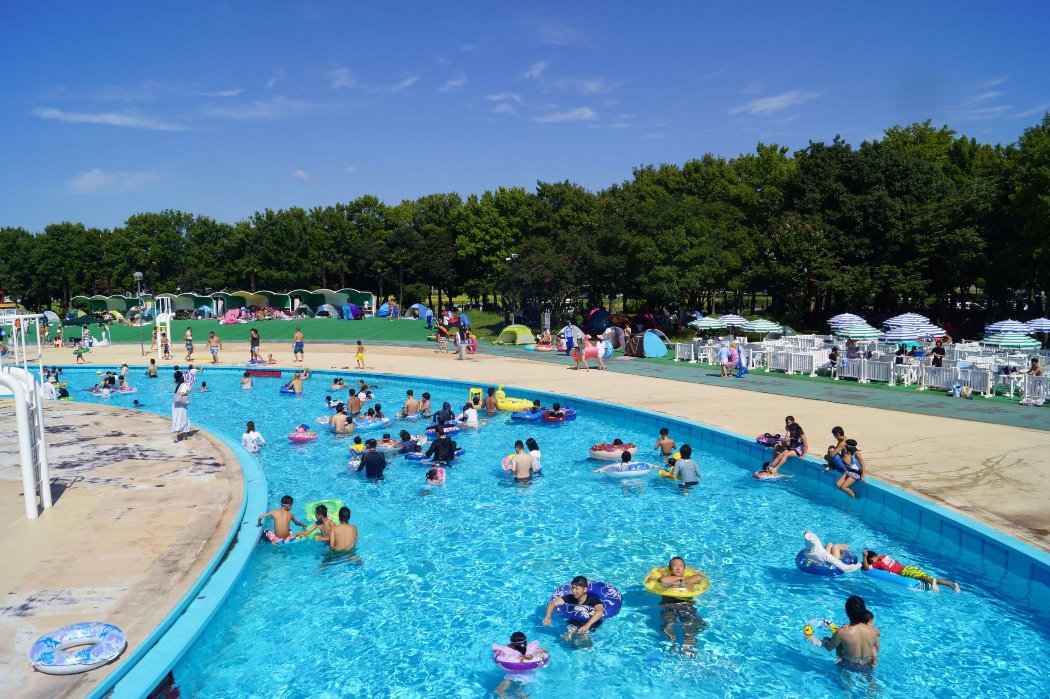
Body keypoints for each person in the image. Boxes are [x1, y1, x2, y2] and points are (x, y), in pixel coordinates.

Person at [654, 556, 707, 656]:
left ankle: (688, 642)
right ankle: (672, 643)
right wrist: (682, 580)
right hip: (668, 605)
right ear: (670, 569)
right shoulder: (667, 579)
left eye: (681, 566)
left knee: (691, 622)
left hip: (686, 605)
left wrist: (682, 582)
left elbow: (699, 578)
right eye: (675, 566)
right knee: (668, 623)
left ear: (684, 569)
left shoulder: (690, 578)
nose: (678, 568)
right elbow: (663, 580)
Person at [821, 595, 880, 673]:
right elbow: (877, 648)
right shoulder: (873, 630)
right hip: (867, 665)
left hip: (848, 664)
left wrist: (826, 640)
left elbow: (829, 648)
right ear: (864, 611)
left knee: (843, 683)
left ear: (847, 612)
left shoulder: (842, 632)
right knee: (871, 684)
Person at [862, 549, 960, 592]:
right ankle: (952, 585)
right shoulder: (884, 556)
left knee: (920, 578)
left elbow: (866, 568)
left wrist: (864, 556)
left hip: (903, 571)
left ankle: (932, 581)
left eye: (871, 561)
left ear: (872, 558)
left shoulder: (878, 563)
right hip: (910, 567)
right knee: (928, 577)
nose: (871, 563)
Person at [493, 631, 548, 697]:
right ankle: (502, 690)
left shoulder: (509, 652)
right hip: (528, 670)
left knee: (512, 678)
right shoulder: (530, 650)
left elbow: (497, 652)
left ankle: (511, 690)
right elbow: (544, 651)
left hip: (512, 669)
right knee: (519, 679)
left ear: (512, 645)